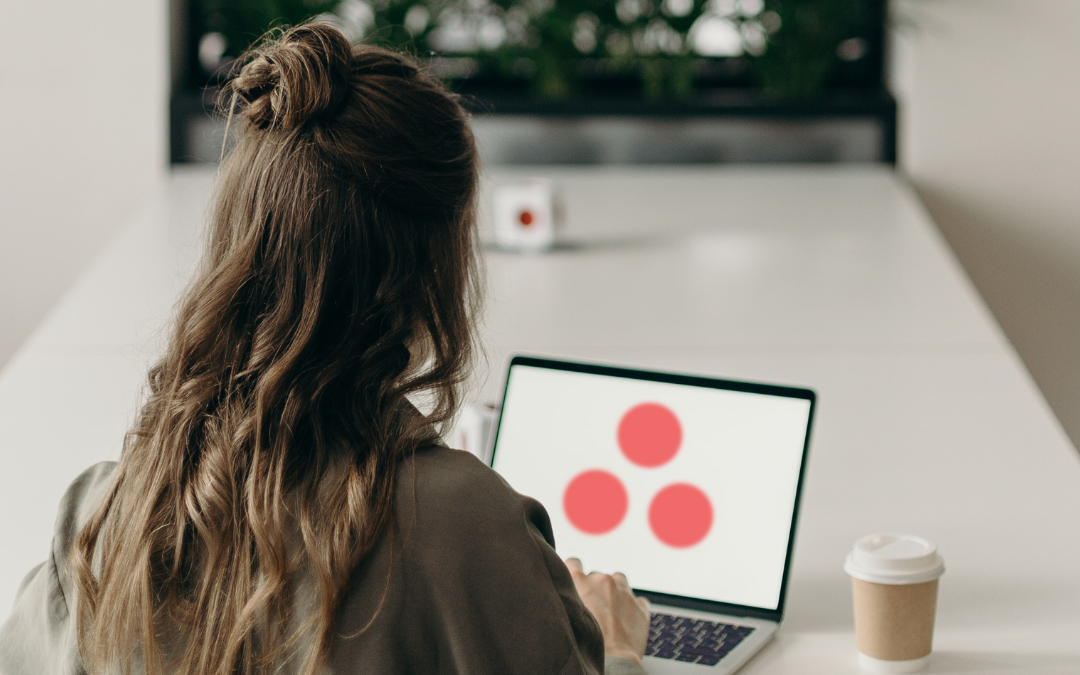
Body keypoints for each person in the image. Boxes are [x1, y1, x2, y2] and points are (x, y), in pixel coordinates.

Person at [0, 21, 652, 675]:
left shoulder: (103, 516)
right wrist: (617, 647)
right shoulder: (465, 528)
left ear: (237, 242)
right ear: (436, 272)